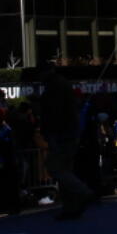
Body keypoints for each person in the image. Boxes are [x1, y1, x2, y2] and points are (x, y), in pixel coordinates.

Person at [39, 66, 95, 219]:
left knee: (55, 167)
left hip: (61, 133)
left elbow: (53, 114)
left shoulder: (53, 89)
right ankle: (71, 206)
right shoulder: (62, 85)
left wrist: (50, 133)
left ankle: (82, 192)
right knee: (65, 169)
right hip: (69, 132)